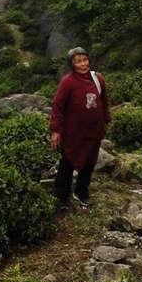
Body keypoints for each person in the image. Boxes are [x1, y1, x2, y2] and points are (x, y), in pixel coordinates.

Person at [49, 47, 110, 209]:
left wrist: (105, 120)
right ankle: (61, 197)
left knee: (89, 162)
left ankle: (81, 192)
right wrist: (56, 130)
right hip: (73, 133)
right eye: (78, 62)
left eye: (85, 60)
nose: (83, 64)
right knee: (67, 162)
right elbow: (57, 106)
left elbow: (104, 101)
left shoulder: (97, 79)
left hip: (94, 131)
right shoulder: (67, 82)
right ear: (72, 64)